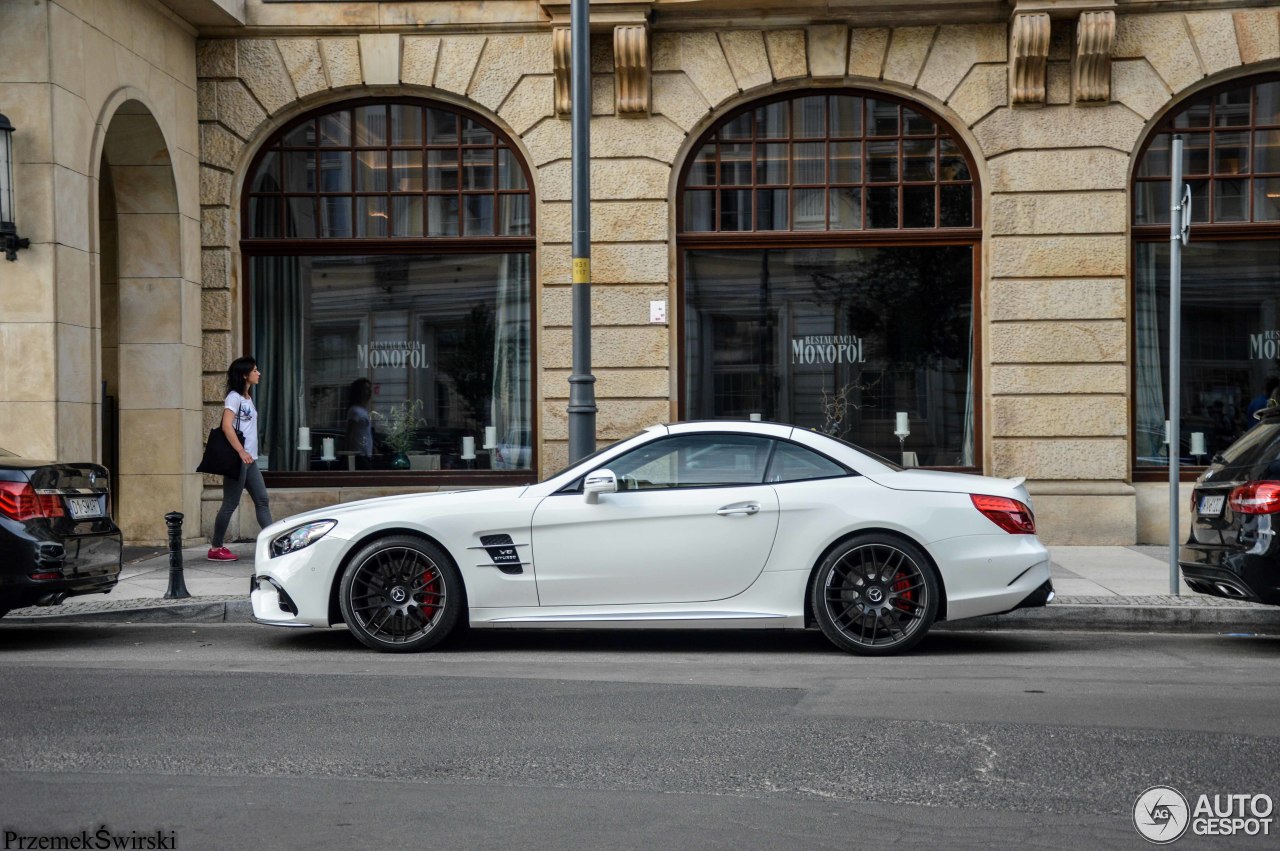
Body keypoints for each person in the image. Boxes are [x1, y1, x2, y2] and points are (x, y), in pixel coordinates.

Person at [208, 356, 272, 561]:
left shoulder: (247, 398)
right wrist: (241, 451)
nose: (258, 373)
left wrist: (249, 454)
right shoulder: (234, 397)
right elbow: (227, 426)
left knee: (262, 500)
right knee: (230, 504)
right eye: (254, 370)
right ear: (245, 374)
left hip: (250, 460)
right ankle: (216, 547)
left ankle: (274, 542)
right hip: (239, 459)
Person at [344, 378, 375, 469]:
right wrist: (348, 454)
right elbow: (350, 433)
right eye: (366, 389)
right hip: (359, 455)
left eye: (369, 389)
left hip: (366, 454)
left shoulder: (363, 410)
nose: (369, 392)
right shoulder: (355, 411)